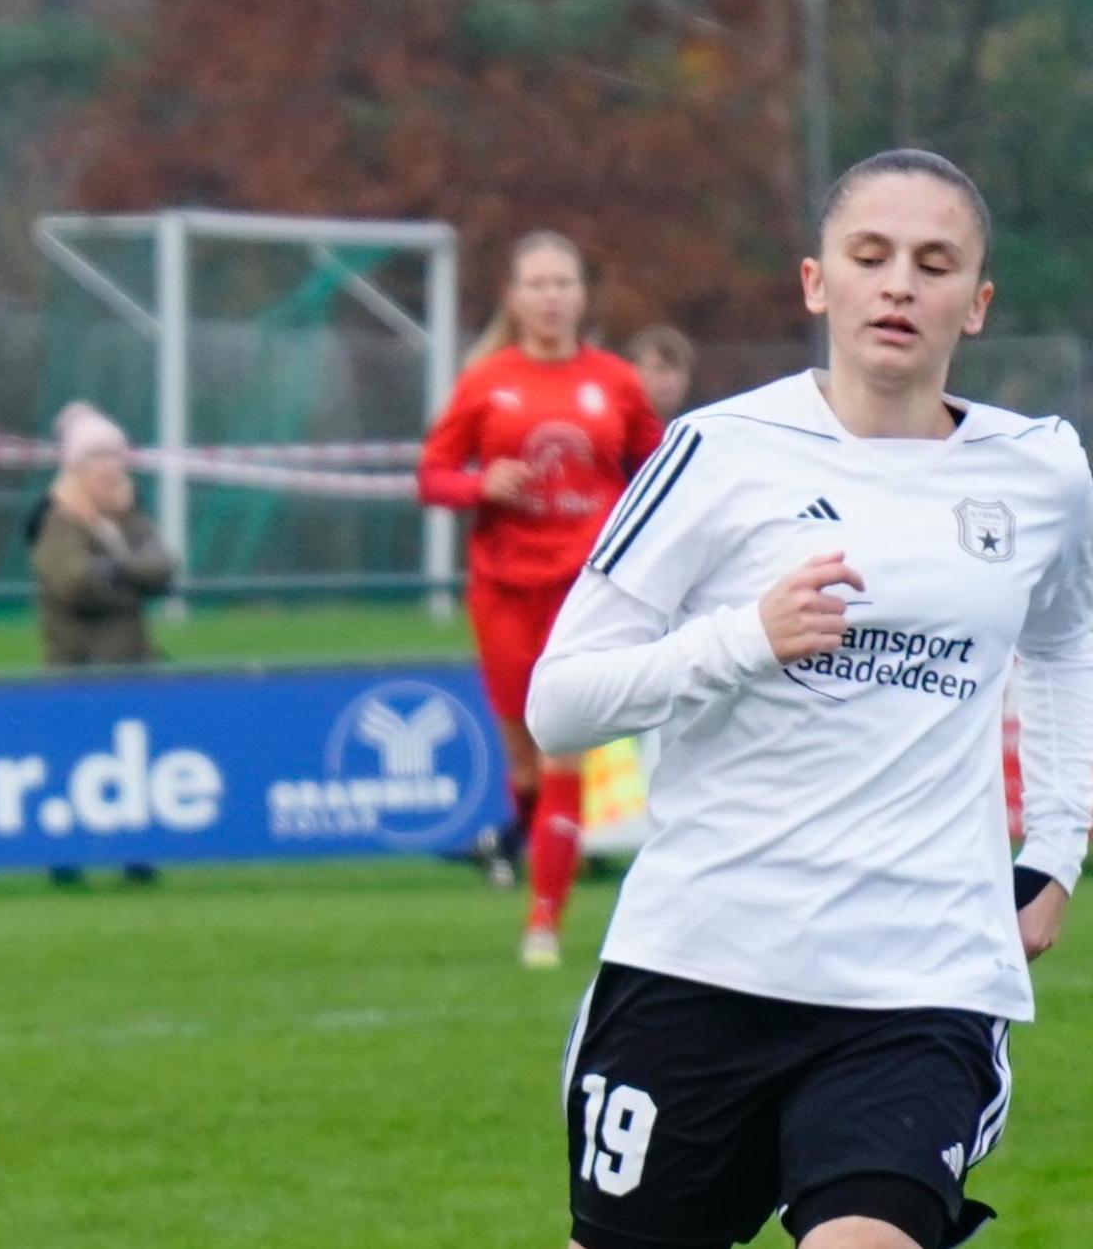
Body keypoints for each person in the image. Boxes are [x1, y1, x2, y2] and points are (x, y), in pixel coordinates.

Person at [529, 149, 1091, 1249]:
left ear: (977, 303)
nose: (899, 285)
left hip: (919, 981)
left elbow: (1066, 639)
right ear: (816, 282)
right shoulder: (716, 452)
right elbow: (562, 705)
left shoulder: (1042, 472)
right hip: (697, 962)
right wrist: (745, 639)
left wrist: (1059, 844)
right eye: (870, 256)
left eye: (934, 264)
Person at [416, 232, 661, 966]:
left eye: (563, 282)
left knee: (563, 753)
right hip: (504, 590)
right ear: (514, 297)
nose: (551, 297)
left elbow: (659, 474)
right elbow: (432, 475)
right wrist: (479, 485)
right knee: (525, 765)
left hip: (585, 592)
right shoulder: (486, 381)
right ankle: (513, 839)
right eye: (537, 284)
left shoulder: (615, 382)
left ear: (582, 295)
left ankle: (543, 923)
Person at [27, 400, 175, 885]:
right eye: (99, 456)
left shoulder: (129, 516)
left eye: (116, 455)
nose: (111, 466)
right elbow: (74, 582)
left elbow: (163, 565)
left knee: (137, 767)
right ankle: (65, 860)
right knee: (74, 766)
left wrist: (118, 568)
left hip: (131, 667)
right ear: (76, 465)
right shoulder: (58, 520)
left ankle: (138, 857)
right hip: (77, 670)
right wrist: (130, 575)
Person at [626, 324, 696, 420]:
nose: (671, 380)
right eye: (660, 369)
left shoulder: (697, 424)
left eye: (679, 370)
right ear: (633, 370)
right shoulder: (617, 424)